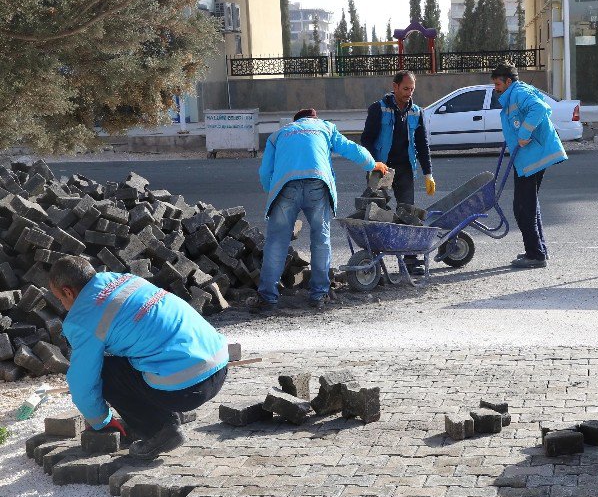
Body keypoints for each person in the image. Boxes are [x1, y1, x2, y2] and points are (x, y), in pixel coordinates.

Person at [48, 256, 229, 460]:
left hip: (187, 390)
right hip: (220, 365)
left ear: (68, 291)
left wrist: (101, 421)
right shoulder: (124, 279)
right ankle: (165, 413)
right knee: (138, 352)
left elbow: (82, 382)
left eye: (60, 299)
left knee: (105, 372)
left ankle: (161, 430)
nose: (63, 305)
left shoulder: (81, 319)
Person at [257, 108, 388, 311]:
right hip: (318, 183)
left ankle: (267, 298)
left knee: (276, 242)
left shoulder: (279, 134)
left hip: (285, 187)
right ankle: (318, 294)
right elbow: (350, 148)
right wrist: (373, 164)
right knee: (320, 240)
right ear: (313, 119)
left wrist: (271, 189)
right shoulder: (325, 127)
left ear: (296, 121)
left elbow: (265, 172)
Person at [491, 62, 567, 269]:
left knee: (523, 207)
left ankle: (535, 255)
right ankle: (538, 249)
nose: (495, 88)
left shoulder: (519, 92)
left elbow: (540, 108)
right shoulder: (513, 94)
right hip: (528, 157)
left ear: (508, 81)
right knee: (529, 205)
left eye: (498, 84)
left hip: (533, 156)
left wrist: (523, 134)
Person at [360, 70, 436, 275]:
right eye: (405, 88)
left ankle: (410, 261)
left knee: (407, 212)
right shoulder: (378, 109)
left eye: (412, 89)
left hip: (404, 169)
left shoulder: (417, 112)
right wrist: (372, 165)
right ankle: (371, 261)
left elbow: (422, 143)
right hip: (381, 168)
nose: (409, 93)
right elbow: (366, 139)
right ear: (394, 87)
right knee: (375, 211)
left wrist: (428, 173)